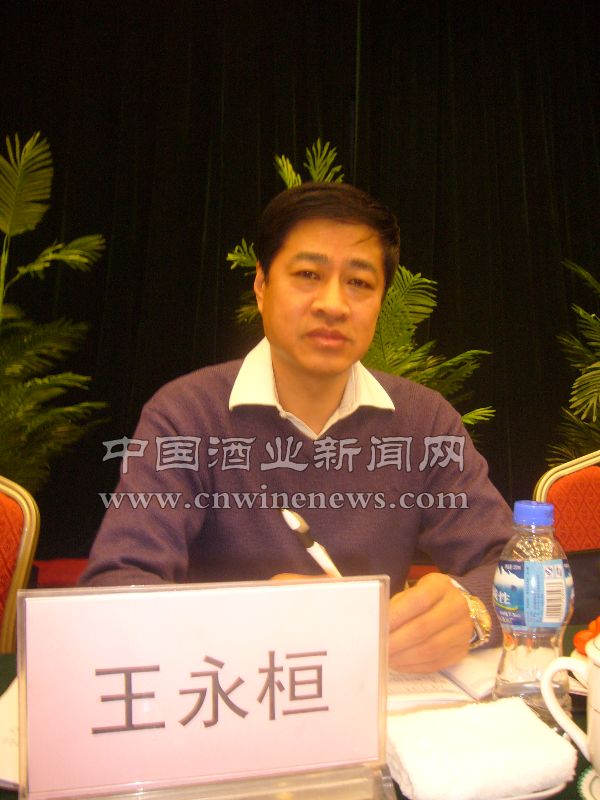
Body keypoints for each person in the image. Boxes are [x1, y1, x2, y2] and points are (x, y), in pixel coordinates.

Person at [81, 181, 513, 673]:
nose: (333, 304)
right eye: (308, 274)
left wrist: (474, 611)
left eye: (359, 283)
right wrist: (248, 617)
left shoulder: (423, 423)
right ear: (261, 286)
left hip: (378, 694)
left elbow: (525, 567)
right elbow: (115, 586)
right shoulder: (187, 416)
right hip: (229, 690)